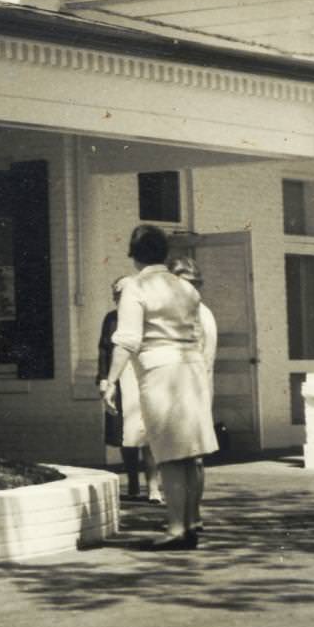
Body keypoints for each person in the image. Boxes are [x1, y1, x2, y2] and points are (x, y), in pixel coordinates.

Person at [100, 225, 217, 550]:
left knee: (168, 455)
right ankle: (191, 520)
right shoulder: (186, 289)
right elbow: (197, 335)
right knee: (190, 452)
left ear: (134, 255)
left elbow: (127, 341)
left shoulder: (136, 288)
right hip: (191, 371)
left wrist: (111, 380)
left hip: (160, 373)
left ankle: (177, 528)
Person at [97, 276, 162, 503]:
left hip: (143, 380)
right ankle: (133, 484)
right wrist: (104, 379)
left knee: (148, 436)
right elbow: (105, 350)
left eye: (121, 293)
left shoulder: (147, 318)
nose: (117, 298)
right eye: (115, 294)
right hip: (120, 383)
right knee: (125, 436)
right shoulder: (111, 319)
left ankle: (153, 488)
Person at [169, 256, 217, 534]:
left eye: (188, 283)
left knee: (188, 457)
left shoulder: (197, 314)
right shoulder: (194, 311)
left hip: (190, 389)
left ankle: (190, 514)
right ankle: (189, 514)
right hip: (190, 389)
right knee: (188, 457)